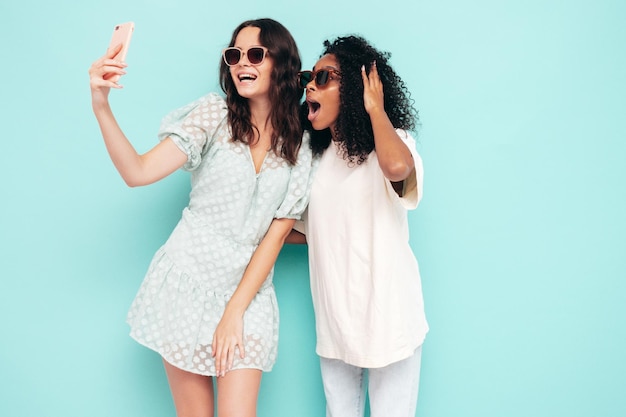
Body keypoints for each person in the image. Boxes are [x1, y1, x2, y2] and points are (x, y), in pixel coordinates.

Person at [89, 18, 315, 417]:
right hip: (186, 283)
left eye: (255, 54)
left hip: (248, 294)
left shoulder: (299, 141)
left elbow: (275, 238)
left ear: (281, 63)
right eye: (234, 55)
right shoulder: (213, 115)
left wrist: (233, 313)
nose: (242, 62)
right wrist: (101, 104)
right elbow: (137, 172)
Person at [289, 35, 428, 417]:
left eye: (324, 77)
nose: (310, 87)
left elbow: (398, 169)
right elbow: (311, 229)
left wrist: (375, 108)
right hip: (336, 322)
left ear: (355, 86)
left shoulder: (392, 144)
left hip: (390, 317)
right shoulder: (316, 159)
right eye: (308, 80)